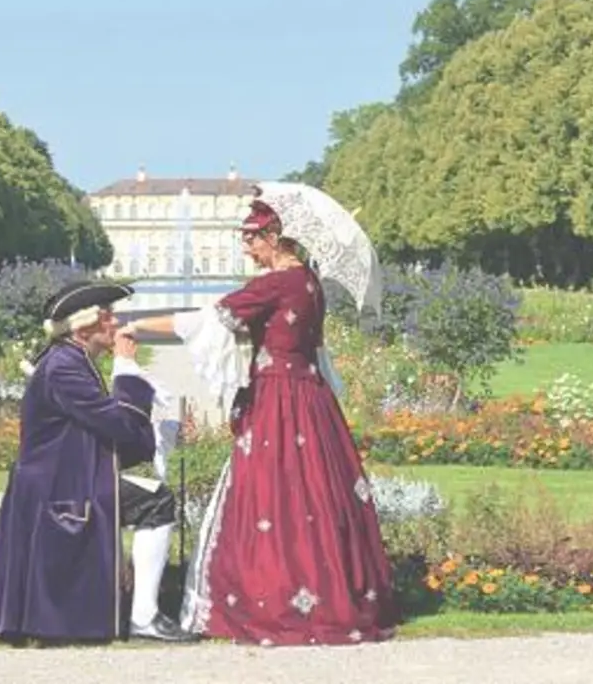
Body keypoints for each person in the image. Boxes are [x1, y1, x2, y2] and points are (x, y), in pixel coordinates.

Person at [124, 200, 399, 647]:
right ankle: (330, 594)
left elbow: (207, 321)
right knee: (316, 495)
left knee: (269, 495)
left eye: (251, 239)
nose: (247, 249)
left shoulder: (277, 282)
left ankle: (273, 598)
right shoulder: (310, 282)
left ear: (275, 238)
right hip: (312, 398)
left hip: (278, 396)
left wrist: (137, 327)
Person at [0, 280, 197, 645]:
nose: (116, 325)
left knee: (22, 601)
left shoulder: (70, 359)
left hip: (58, 480)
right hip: (59, 487)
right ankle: (144, 616)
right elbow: (119, 424)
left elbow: (107, 430)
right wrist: (128, 368)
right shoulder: (64, 368)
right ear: (84, 327)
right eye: (108, 318)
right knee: (155, 502)